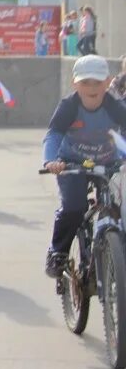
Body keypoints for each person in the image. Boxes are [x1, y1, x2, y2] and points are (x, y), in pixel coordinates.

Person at [42, 55, 126, 277]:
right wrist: (51, 161)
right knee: (74, 207)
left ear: (108, 82)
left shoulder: (115, 106)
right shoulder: (69, 106)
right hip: (71, 163)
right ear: (75, 83)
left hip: (108, 163)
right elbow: (54, 134)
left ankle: (117, 253)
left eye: (97, 82)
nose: (91, 88)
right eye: (85, 82)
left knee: (118, 206)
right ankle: (58, 251)